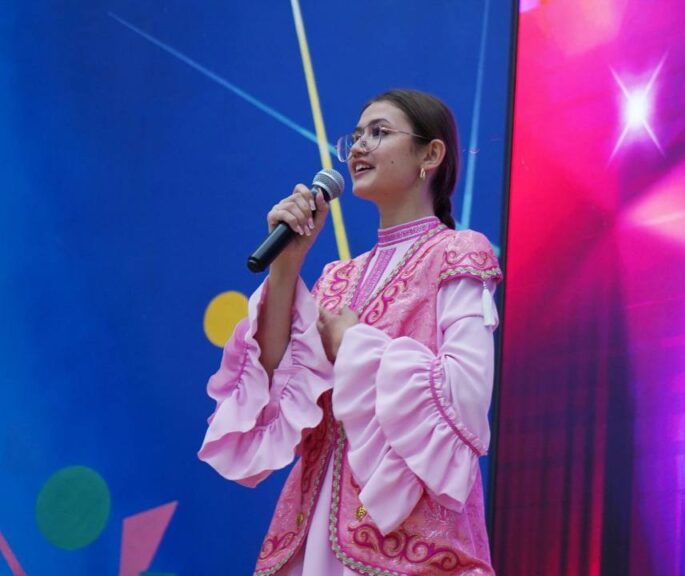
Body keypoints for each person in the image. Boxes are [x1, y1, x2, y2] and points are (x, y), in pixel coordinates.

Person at [198, 89, 501, 575]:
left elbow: (465, 396)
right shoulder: (338, 278)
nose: (358, 146)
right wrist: (287, 264)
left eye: (378, 133)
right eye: (356, 136)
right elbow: (274, 386)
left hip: (407, 531)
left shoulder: (459, 253)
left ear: (430, 154)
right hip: (314, 522)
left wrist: (353, 344)